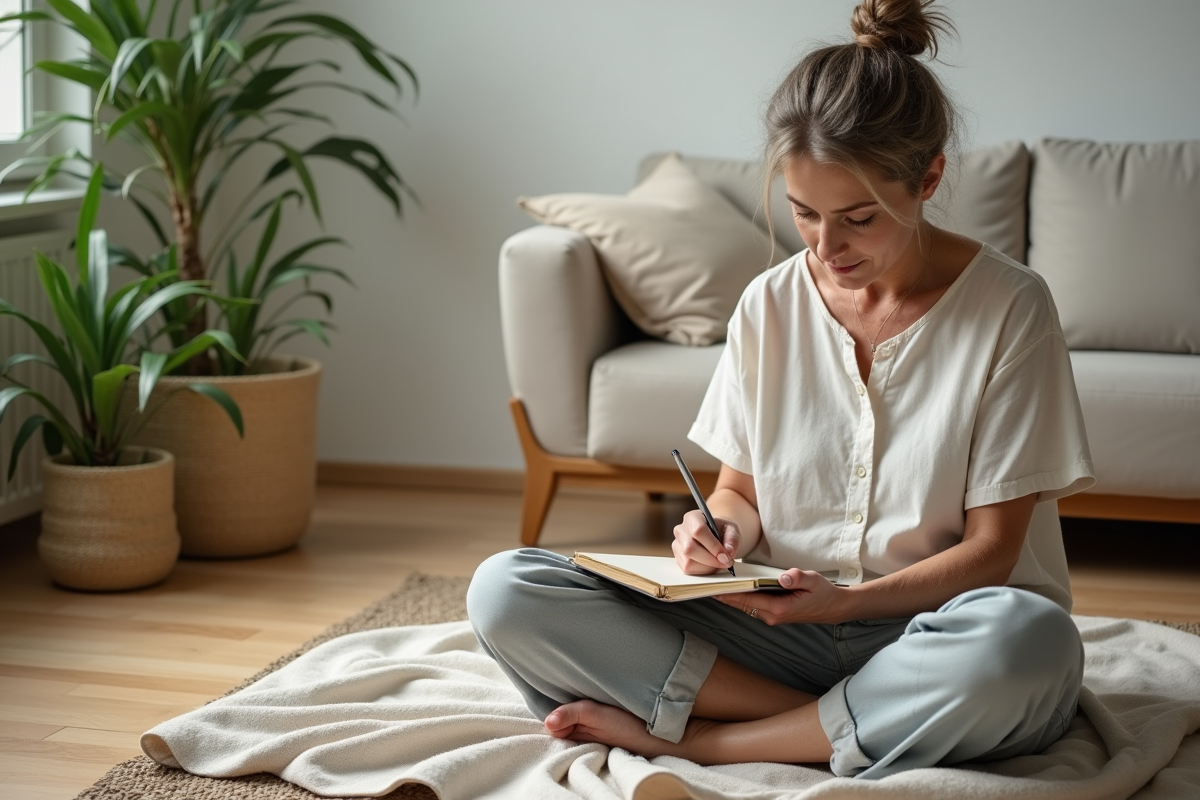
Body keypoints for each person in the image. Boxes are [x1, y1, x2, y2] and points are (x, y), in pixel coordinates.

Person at [468, 0, 1095, 779]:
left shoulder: (1011, 307)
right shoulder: (769, 302)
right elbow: (740, 492)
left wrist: (844, 604)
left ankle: (703, 737)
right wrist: (715, 531)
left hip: (935, 629)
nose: (827, 247)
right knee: (506, 590)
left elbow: (992, 554)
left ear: (928, 177)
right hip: (780, 630)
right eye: (804, 214)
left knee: (1028, 648)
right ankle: (842, 718)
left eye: (858, 219)